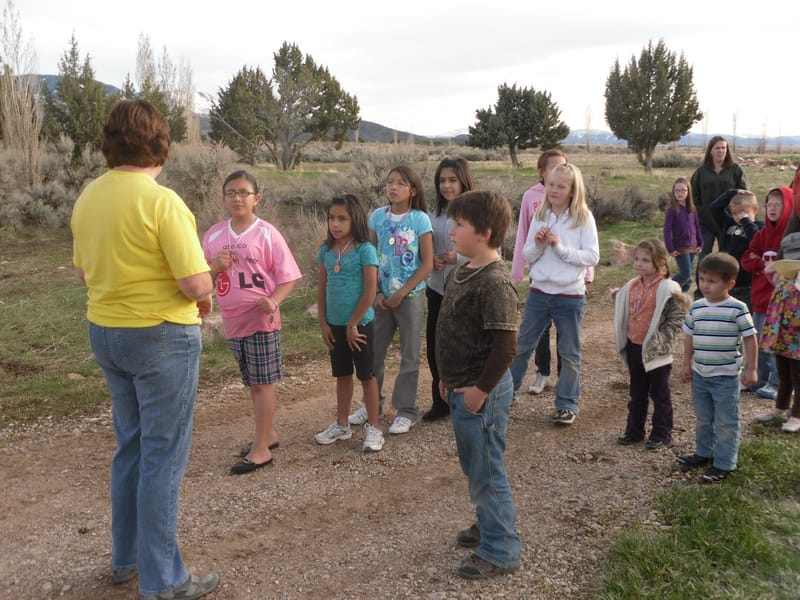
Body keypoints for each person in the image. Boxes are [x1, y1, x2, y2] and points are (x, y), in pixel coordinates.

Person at [70, 99, 219, 599]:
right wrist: (209, 281)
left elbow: (82, 272)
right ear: (161, 144)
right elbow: (195, 283)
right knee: (163, 455)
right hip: (160, 336)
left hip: (105, 332)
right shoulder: (162, 202)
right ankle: (164, 581)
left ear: (109, 142)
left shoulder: (89, 196)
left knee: (132, 445)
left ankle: (127, 559)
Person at [436, 190, 521, 579]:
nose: (451, 231)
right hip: (461, 387)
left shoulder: (495, 282)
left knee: (487, 470)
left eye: (459, 225)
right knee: (475, 466)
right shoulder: (463, 270)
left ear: (485, 233)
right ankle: (488, 523)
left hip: (481, 393)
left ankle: (501, 550)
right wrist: (445, 378)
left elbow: (506, 347)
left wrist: (479, 391)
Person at [203, 170, 302, 475]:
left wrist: (273, 301)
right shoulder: (213, 235)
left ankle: (261, 450)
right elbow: (203, 277)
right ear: (223, 198)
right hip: (232, 320)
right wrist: (215, 267)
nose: (237, 198)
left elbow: (288, 277)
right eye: (231, 192)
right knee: (252, 382)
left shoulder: (267, 233)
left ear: (256, 198)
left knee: (262, 384)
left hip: (261, 319)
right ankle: (267, 434)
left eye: (244, 192)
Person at [509, 163, 599, 425]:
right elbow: (528, 254)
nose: (555, 190)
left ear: (573, 190)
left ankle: (566, 404)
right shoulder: (541, 215)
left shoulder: (583, 218)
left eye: (561, 186)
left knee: (569, 352)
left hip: (569, 295)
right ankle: (506, 395)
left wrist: (559, 248)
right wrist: (538, 244)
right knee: (522, 346)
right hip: (539, 292)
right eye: (551, 184)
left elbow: (592, 256)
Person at [348, 166, 433, 434]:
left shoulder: (420, 219)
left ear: (413, 190)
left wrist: (402, 292)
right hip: (380, 299)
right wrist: (377, 292)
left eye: (400, 183)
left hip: (411, 297)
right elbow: (370, 255)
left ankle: (406, 410)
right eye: (390, 182)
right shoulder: (377, 217)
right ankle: (373, 404)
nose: (393, 187)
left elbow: (427, 263)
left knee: (409, 355)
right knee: (373, 353)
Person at [677, 253, 757, 483]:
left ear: (730, 284)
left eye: (712, 281)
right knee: (703, 417)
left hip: (726, 377)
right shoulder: (697, 307)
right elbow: (689, 337)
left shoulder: (737, 308)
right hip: (700, 374)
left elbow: (750, 339)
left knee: (725, 421)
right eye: (702, 279)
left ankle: (724, 463)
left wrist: (751, 369)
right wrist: (686, 364)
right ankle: (704, 453)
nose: (705, 285)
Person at [314, 194, 384, 452]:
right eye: (331, 218)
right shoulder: (326, 250)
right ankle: (341, 424)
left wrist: (353, 324)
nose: (335, 223)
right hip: (335, 325)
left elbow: (369, 292)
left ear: (355, 219)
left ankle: (374, 428)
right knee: (342, 374)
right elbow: (322, 289)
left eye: (342, 218)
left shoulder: (365, 250)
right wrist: (323, 323)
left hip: (359, 326)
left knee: (367, 375)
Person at [614, 239, 689, 450]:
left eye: (646, 260)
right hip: (634, 346)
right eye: (637, 259)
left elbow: (676, 318)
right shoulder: (631, 285)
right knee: (637, 393)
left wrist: (661, 339)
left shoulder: (669, 288)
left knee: (660, 393)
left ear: (661, 263)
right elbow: (624, 308)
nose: (639, 263)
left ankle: (662, 433)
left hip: (657, 351)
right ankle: (634, 431)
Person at [511, 149, 567, 395]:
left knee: (566, 330)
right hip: (540, 275)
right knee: (539, 329)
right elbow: (522, 235)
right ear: (542, 171)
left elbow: (585, 236)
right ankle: (542, 372)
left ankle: (565, 378)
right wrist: (517, 272)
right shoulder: (530, 197)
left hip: (567, 277)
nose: (558, 172)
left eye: (563, 167)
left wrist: (587, 274)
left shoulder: (574, 197)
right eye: (553, 168)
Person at [423, 157, 475, 421]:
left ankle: (468, 399)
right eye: (442, 180)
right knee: (435, 345)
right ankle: (440, 401)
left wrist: (458, 258)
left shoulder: (476, 211)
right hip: (436, 288)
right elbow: (424, 247)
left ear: (463, 181)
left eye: (452, 180)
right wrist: (430, 259)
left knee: (465, 347)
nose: (446, 185)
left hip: (467, 290)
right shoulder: (433, 214)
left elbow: (493, 250)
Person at [741, 186, 794, 400]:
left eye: (778, 205)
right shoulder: (761, 234)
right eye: (769, 204)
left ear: (788, 207)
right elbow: (747, 260)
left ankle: (776, 383)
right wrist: (763, 264)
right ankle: (756, 379)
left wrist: (773, 264)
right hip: (761, 299)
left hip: (782, 302)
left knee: (776, 344)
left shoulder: (790, 238)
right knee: (757, 341)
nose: (772, 208)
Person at [690, 136, 748, 298]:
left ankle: (724, 290)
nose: (721, 151)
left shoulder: (735, 169)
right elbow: (694, 195)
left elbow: (743, 193)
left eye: (723, 148)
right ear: (710, 151)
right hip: (705, 222)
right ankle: (701, 292)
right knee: (705, 256)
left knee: (726, 257)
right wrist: (701, 212)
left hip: (728, 222)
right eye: (717, 148)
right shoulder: (701, 171)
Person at [755, 229, 800, 432]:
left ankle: (797, 415)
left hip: (797, 338)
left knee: (798, 375)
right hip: (781, 334)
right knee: (784, 374)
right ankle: (780, 407)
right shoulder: (784, 278)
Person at [709, 188, 763, 308]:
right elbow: (714, 208)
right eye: (734, 213)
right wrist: (733, 192)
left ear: (755, 210)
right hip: (725, 280)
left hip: (746, 284)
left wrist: (746, 221)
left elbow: (756, 240)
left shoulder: (759, 227)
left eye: (743, 212)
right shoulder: (728, 223)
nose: (738, 216)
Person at [662, 177, 702, 292]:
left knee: (688, 280)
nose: (680, 193)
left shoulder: (692, 209)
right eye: (677, 190)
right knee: (685, 274)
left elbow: (697, 226)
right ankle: (664, 289)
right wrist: (670, 248)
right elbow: (666, 230)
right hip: (680, 246)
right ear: (673, 192)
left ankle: (679, 297)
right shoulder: (672, 210)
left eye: (683, 190)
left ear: (688, 192)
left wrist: (700, 243)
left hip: (693, 246)